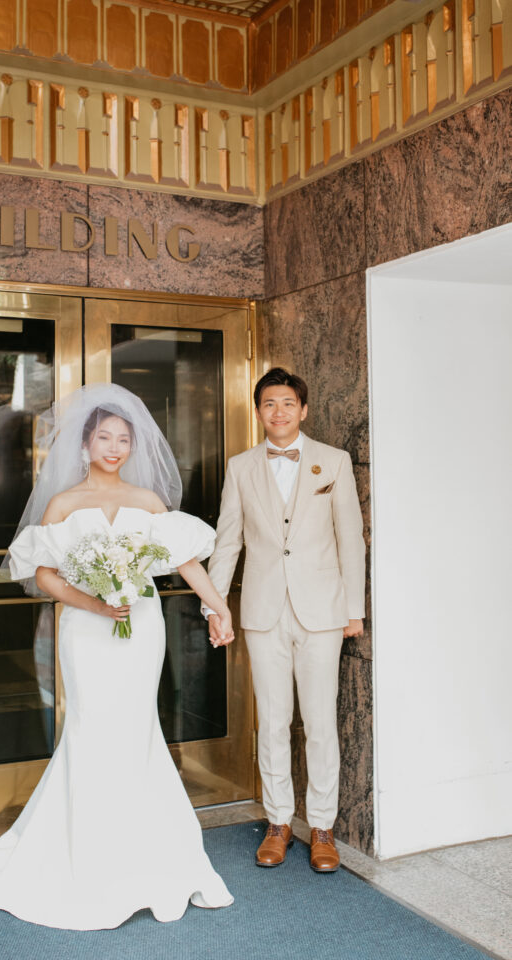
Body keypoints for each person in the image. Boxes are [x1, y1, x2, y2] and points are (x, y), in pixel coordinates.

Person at [0, 383, 235, 930]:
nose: (114, 446)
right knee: (90, 728)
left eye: (123, 439)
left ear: (134, 447)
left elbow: (185, 562)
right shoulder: (64, 504)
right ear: (84, 445)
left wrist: (218, 608)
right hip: (87, 630)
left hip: (143, 625)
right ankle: (86, 858)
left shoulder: (148, 501)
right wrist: (93, 601)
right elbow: (42, 575)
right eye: (104, 437)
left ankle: (146, 853)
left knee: (137, 728)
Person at [204, 368, 365, 873]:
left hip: (323, 612)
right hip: (262, 610)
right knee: (272, 722)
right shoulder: (240, 467)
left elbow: (351, 541)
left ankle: (322, 828)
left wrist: (353, 610)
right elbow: (228, 539)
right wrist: (215, 604)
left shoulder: (334, 461)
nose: (279, 412)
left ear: (304, 409)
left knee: (320, 724)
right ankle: (278, 822)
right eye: (269, 403)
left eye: (288, 403)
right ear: (258, 411)